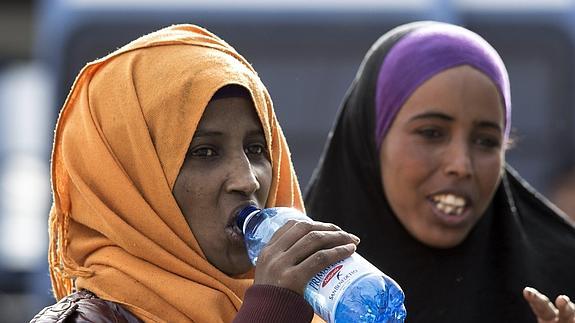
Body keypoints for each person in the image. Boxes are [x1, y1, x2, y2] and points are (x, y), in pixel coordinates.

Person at [30, 24, 360, 322]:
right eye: (204, 152)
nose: (247, 181)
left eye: (256, 149)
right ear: (133, 183)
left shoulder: (308, 306)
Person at [305, 21, 575, 323]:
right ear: (372, 139)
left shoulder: (560, 288)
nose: (461, 165)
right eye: (432, 133)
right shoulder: (293, 281)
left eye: (486, 141)